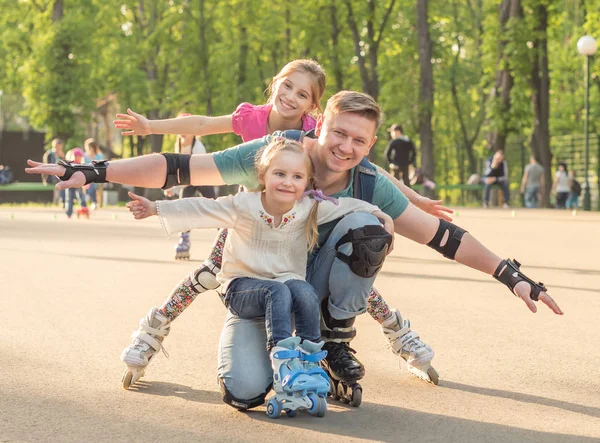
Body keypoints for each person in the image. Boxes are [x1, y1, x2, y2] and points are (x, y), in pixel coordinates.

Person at [25, 90, 563, 411]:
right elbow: (177, 168)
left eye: (359, 140)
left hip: (315, 287)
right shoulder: (273, 154)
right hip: (258, 280)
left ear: (370, 145)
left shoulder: (370, 180)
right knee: (244, 393)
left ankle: (332, 342)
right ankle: (258, 349)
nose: (346, 147)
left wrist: (512, 275)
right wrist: (91, 172)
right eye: (339, 133)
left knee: (371, 227)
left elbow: (443, 237)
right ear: (319, 125)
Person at [110, 61, 451, 386]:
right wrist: (150, 127)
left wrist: (413, 200)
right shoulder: (251, 118)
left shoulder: (310, 133)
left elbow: (375, 170)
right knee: (209, 271)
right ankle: (152, 332)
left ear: (313, 108)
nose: (291, 97)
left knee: (349, 266)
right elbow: (200, 124)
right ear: (275, 83)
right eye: (287, 86)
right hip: (249, 215)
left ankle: (398, 334)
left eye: (303, 95)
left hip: (299, 219)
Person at [127, 137, 394, 417]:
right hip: (242, 288)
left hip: (285, 288)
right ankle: (283, 362)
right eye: (279, 174)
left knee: (304, 292)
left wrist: (379, 215)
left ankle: (309, 362)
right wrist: (155, 207)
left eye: (297, 176)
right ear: (263, 176)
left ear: (307, 182)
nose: (287, 182)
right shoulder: (243, 205)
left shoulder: (308, 208)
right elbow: (201, 208)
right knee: (277, 292)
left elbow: (346, 205)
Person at [162, 113, 218, 259]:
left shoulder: (199, 147)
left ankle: (224, 236)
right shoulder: (178, 145)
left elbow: (196, 170)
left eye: (186, 128)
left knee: (214, 206)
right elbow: (178, 169)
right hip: (189, 180)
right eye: (180, 127)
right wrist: (171, 186)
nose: (182, 132)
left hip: (203, 178)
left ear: (194, 132)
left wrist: (175, 186)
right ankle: (184, 239)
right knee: (183, 206)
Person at [64, 148, 89, 219]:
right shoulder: (71, 164)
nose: (80, 158)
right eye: (79, 156)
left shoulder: (81, 164)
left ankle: (84, 210)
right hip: (69, 184)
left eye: (81, 157)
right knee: (69, 198)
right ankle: (69, 213)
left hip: (78, 184)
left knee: (81, 197)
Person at [42, 138, 65, 206]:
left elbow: (65, 166)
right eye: (57, 146)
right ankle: (60, 201)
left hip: (59, 176)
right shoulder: (49, 154)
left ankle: (61, 200)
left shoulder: (61, 155)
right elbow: (47, 167)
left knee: (65, 181)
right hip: (50, 176)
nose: (58, 148)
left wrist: (63, 157)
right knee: (62, 182)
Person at [83, 138, 105, 210]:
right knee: (90, 186)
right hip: (87, 175)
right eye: (87, 147)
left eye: (90, 147)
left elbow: (102, 166)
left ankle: (94, 201)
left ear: (93, 148)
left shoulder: (99, 156)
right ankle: (93, 201)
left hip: (97, 175)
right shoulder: (85, 156)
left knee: (93, 186)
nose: (88, 149)